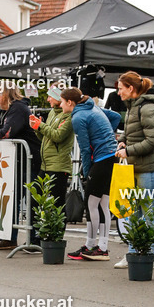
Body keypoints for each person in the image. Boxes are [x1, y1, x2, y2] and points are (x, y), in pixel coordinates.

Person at [0, 81, 42, 249]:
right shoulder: (3, 110)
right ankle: (9, 238)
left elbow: (7, 132)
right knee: (12, 197)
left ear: (6, 94)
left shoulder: (18, 108)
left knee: (31, 199)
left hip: (29, 159)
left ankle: (34, 239)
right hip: (15, 160)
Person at [60, 88, 118, 261]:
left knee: (91, 203)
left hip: (102, 159)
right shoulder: (92, 107)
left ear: (70, 103)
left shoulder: (78, 117)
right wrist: (105, 136)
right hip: (110, 156)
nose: (61, 104)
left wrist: (85, 172)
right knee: (103, 204)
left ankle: (94, 246)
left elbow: (85, 149)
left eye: (62, 101)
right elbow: (116, 117)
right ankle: (99, 247)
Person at [113, 71, 154, 268]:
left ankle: (150, 254)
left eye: (120, 89)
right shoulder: (134, 107)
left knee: (149, 212)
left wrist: (129, 151)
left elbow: (153, 140)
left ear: (130, 88)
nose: (118, 93)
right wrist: (122, 142)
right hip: (136, 168)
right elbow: (130, 133)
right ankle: (134, 252)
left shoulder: (147, 108)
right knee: (135, 212)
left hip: (148, 169)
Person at [28, 85, 74, 213]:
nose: (48, 100)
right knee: (34, 199)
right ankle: (35, 232)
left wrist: (40, 125)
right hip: (46, 164)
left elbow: (58, 136)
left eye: (50, 96)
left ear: (58, 97)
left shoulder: (69, 116)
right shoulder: (53, 112)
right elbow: (46, 137)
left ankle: (57, 233)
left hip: (59, 166)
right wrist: (36, 128)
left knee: (57, 204)